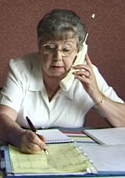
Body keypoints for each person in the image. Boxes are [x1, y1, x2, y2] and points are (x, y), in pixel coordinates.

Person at [0, 9, 125, 154]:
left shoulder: (88, 74)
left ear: (79, 52)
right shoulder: (20, 68)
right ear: (40, 48)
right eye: (50, 48)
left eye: (66, 49)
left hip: (71, 153)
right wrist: (19, 136)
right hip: (26, 151)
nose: (57, 57)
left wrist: (96, 94)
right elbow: (3, 117)